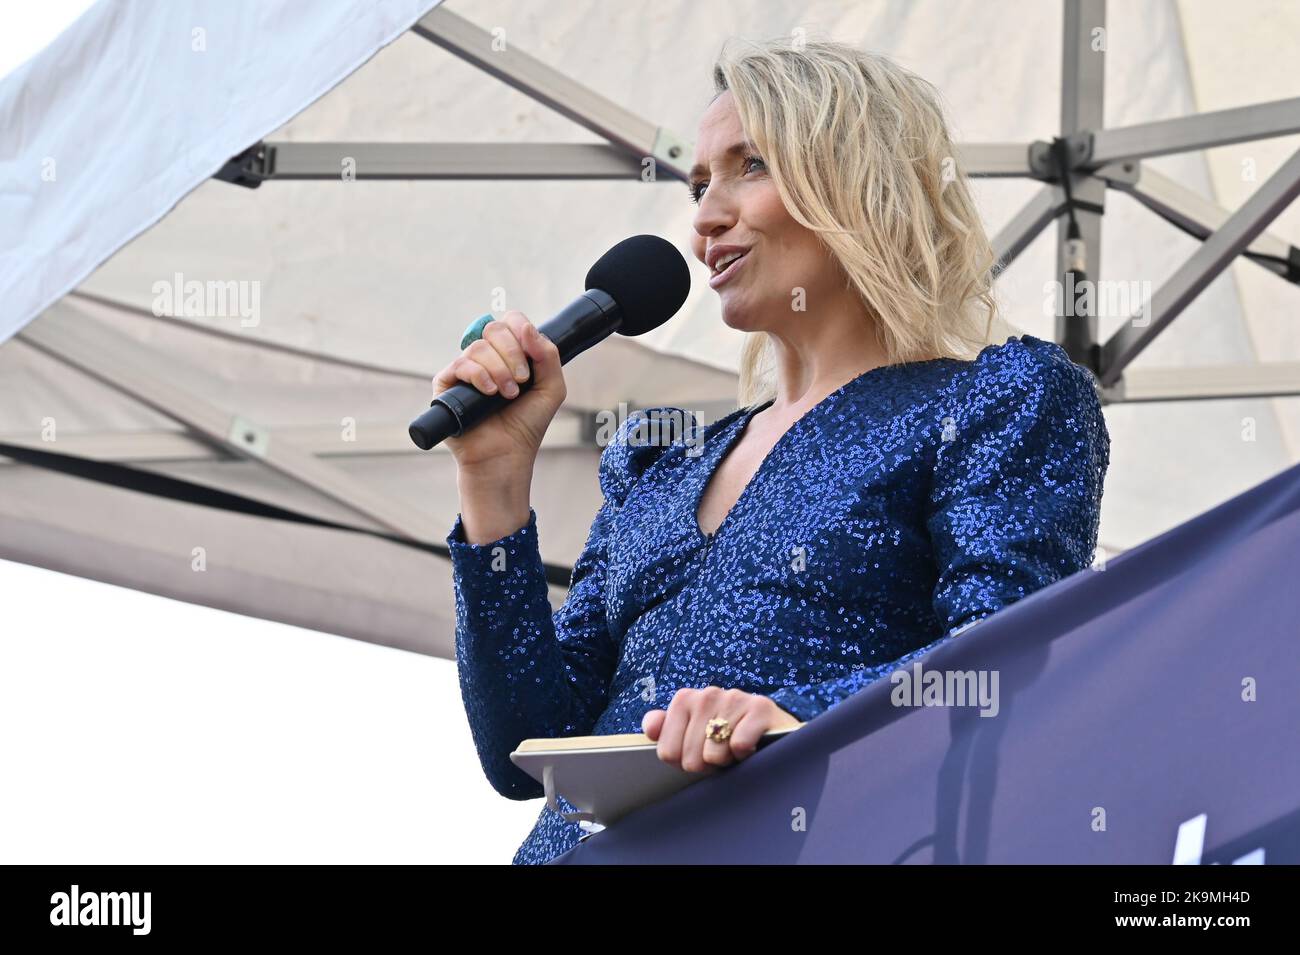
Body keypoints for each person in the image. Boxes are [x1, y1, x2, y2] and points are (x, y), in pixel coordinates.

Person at [436, 37, 1110, 865]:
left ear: (858, 178)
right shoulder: (659, 466)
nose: (705, 217)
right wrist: (493, 482)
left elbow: (1005, 666)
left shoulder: (991, 402)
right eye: (699, 184)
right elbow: (527, 745)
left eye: (750, 165)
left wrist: (793, 716)